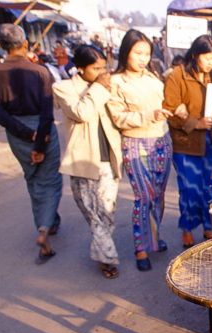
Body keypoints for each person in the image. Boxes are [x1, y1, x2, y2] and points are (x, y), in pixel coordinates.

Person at [0, 24, 62, 264]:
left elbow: (0, 116)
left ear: (1, 46)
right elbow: (47, 113)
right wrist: (39, 142)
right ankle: (44, 229)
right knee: (50, 181)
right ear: (26, 44)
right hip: (43, 131)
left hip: (18, 135)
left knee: (32, 179)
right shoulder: (40, 71)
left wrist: (28, 137)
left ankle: (50, 222)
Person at [53, 45, 123, 279]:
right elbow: (82, 112)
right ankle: (108, 258)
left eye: (104, 67)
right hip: (84, 162)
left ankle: (102, 254)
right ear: (80, 68)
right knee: (93, 213)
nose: (103, 72)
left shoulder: (107, 85)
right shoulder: (63, 88)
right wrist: (99, 87)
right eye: (96, 68)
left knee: (107, 211)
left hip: (109, 159)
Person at [107, 30, 173, 271]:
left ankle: (154, 238)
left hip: (162, 141)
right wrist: (149, 115)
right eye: (138, 52)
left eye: (146, 53)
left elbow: (166, 105)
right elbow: (118, 118)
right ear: (126, 52)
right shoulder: (115, 82)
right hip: (135, 143)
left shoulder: (154, 78)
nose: (143, 58)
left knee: (158, 195)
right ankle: (141, 248)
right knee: (143, 196)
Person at [163, 35, 212, 248]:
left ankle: (209, 227)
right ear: (194, 55)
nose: (211, 62)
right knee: (189, 188)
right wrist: (194, 123)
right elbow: (170, 109)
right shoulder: (178, 76)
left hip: (210, 142)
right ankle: (188, 229)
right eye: (207, 57)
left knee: (209, 186)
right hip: (186, 143)